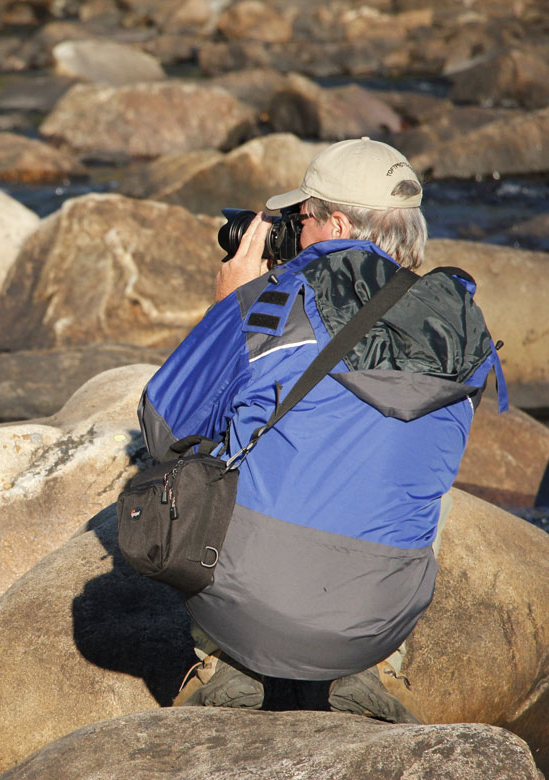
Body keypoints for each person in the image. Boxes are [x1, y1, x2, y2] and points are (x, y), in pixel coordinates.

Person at [136, 137, 507, 721]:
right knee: (399, 461)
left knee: (205, 446)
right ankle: (370, 672)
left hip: (249, 610)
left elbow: (163, 427)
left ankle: (227, 667)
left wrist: (229, 309)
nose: (292, 230)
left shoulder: (272, 304)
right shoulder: (460, 322)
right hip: (380, 619)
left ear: (335, 222)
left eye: (301, 217)